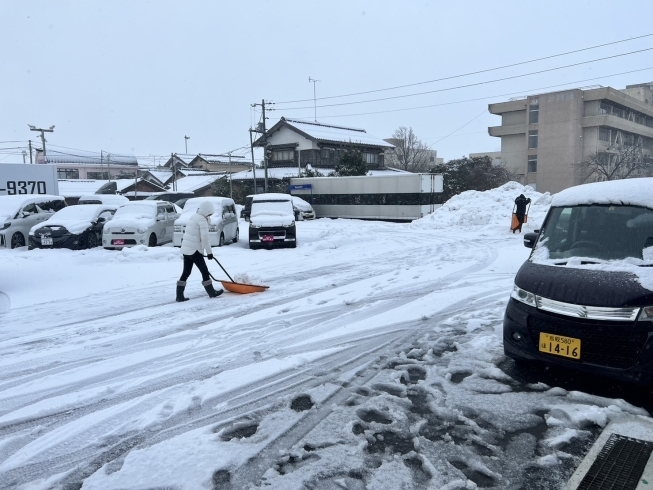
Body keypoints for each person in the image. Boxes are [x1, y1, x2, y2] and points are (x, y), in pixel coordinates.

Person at [176, 201, 223, 301]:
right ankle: (212, 292)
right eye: (210, 213)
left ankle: (179, 295)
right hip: (195, 250)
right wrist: (209, 252)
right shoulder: (202, 220)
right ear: (206, 212)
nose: (210, 215)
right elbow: (205, 238)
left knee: (186, 272)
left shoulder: (194, 216)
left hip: (186, 249)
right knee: (204, 271)